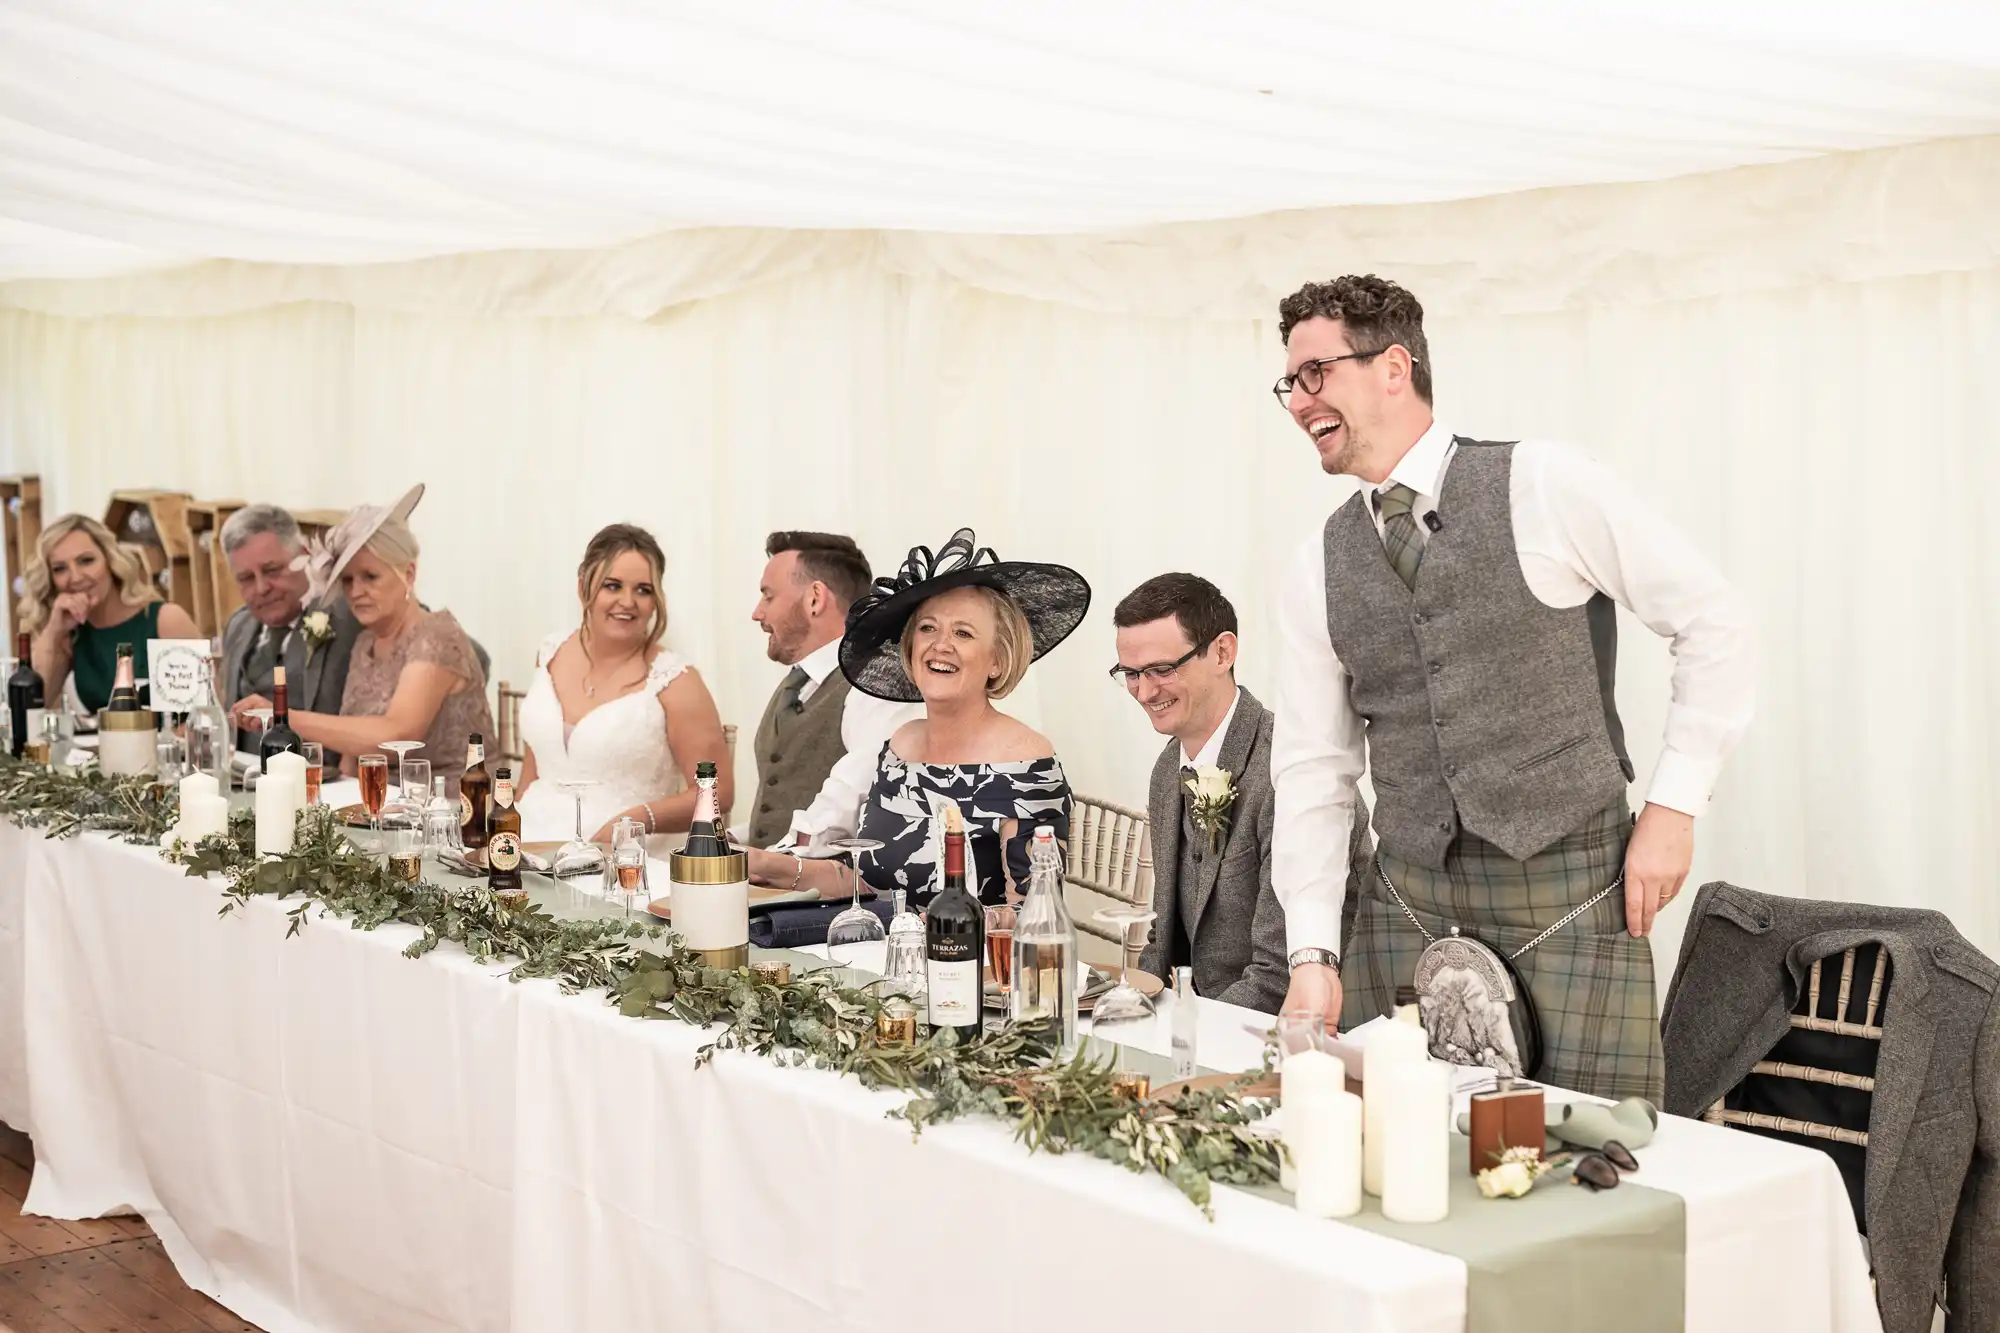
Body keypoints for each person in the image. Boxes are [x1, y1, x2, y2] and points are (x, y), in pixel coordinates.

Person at [1269, 274, 1756, 1100]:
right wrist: (1312, 952)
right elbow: (1314, 767)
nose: (1297, 400)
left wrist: (1674, 808)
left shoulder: (1544, 482)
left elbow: (1715, 623)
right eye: (1289, 382)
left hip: (1570, 889)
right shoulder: (1319, 559)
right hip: (1408, 897)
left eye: (1316, 372)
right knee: (1396, 1157)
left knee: (1596, 1167)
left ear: (1394, 367)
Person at [744, 528, 1085, 916]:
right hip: (885, 958)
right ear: (909, 649)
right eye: (927, 628)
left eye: (963, 632)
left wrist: (939, 926)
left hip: (972, 966)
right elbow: (869, 883)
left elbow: (1035, 914)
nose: (941, 645)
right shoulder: (900, 745)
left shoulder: (1025, 760)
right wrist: (767, 865)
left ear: (997, 661)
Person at [1114, 573, 1372, 1014]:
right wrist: (1130, 1010)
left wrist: (1184, 1034)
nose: (1145, 691)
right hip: (1196, 1023)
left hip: (1288, 1031)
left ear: (1222, 651)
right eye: (1131, 673)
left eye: (1162, 669)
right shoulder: (1166, 770)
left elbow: (1279, 978)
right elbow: (1165, 938)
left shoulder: (1291, 772)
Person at [232, 484, 494, 790]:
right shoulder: (365, 643)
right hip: (380, 806)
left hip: (453, 808)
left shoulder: (437, 636)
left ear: (408, 574)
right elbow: (352, 757)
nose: (356, 592)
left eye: (370, 577)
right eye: (347, 580)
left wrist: (281, 717)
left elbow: (397, 734)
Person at [515, 523, 732, 845]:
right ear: (583, 586)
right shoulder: (550, 653)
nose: (627, 602)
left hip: (623, 856)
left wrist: (638, 818)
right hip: (528, 844)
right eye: (612, 586)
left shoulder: (676, 681)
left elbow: (718, 793)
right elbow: (534, 769)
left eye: (643, 590)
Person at [742, 531, 920, 849]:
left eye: (768, 596)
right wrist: (736, 840)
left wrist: (769, 862)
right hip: (773, 883)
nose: (757, 613)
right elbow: (780, 806)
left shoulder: (874, 682)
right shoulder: (797, 682)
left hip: (829, 892)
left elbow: (854, 794)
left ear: (815, 598)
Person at [218, 504, 363, 765]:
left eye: (272, 570)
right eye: (246, 579)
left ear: (304, 556)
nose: (262, 588)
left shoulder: (349, 617)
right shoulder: (237, 626)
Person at [20, 514, 200, 714]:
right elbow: (28, 708)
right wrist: (53, 631)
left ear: (110, 561)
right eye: (60, 569)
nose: (76, 577)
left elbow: (198, 715)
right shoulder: (72, 633)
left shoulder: (165, 620)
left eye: (86, 561)